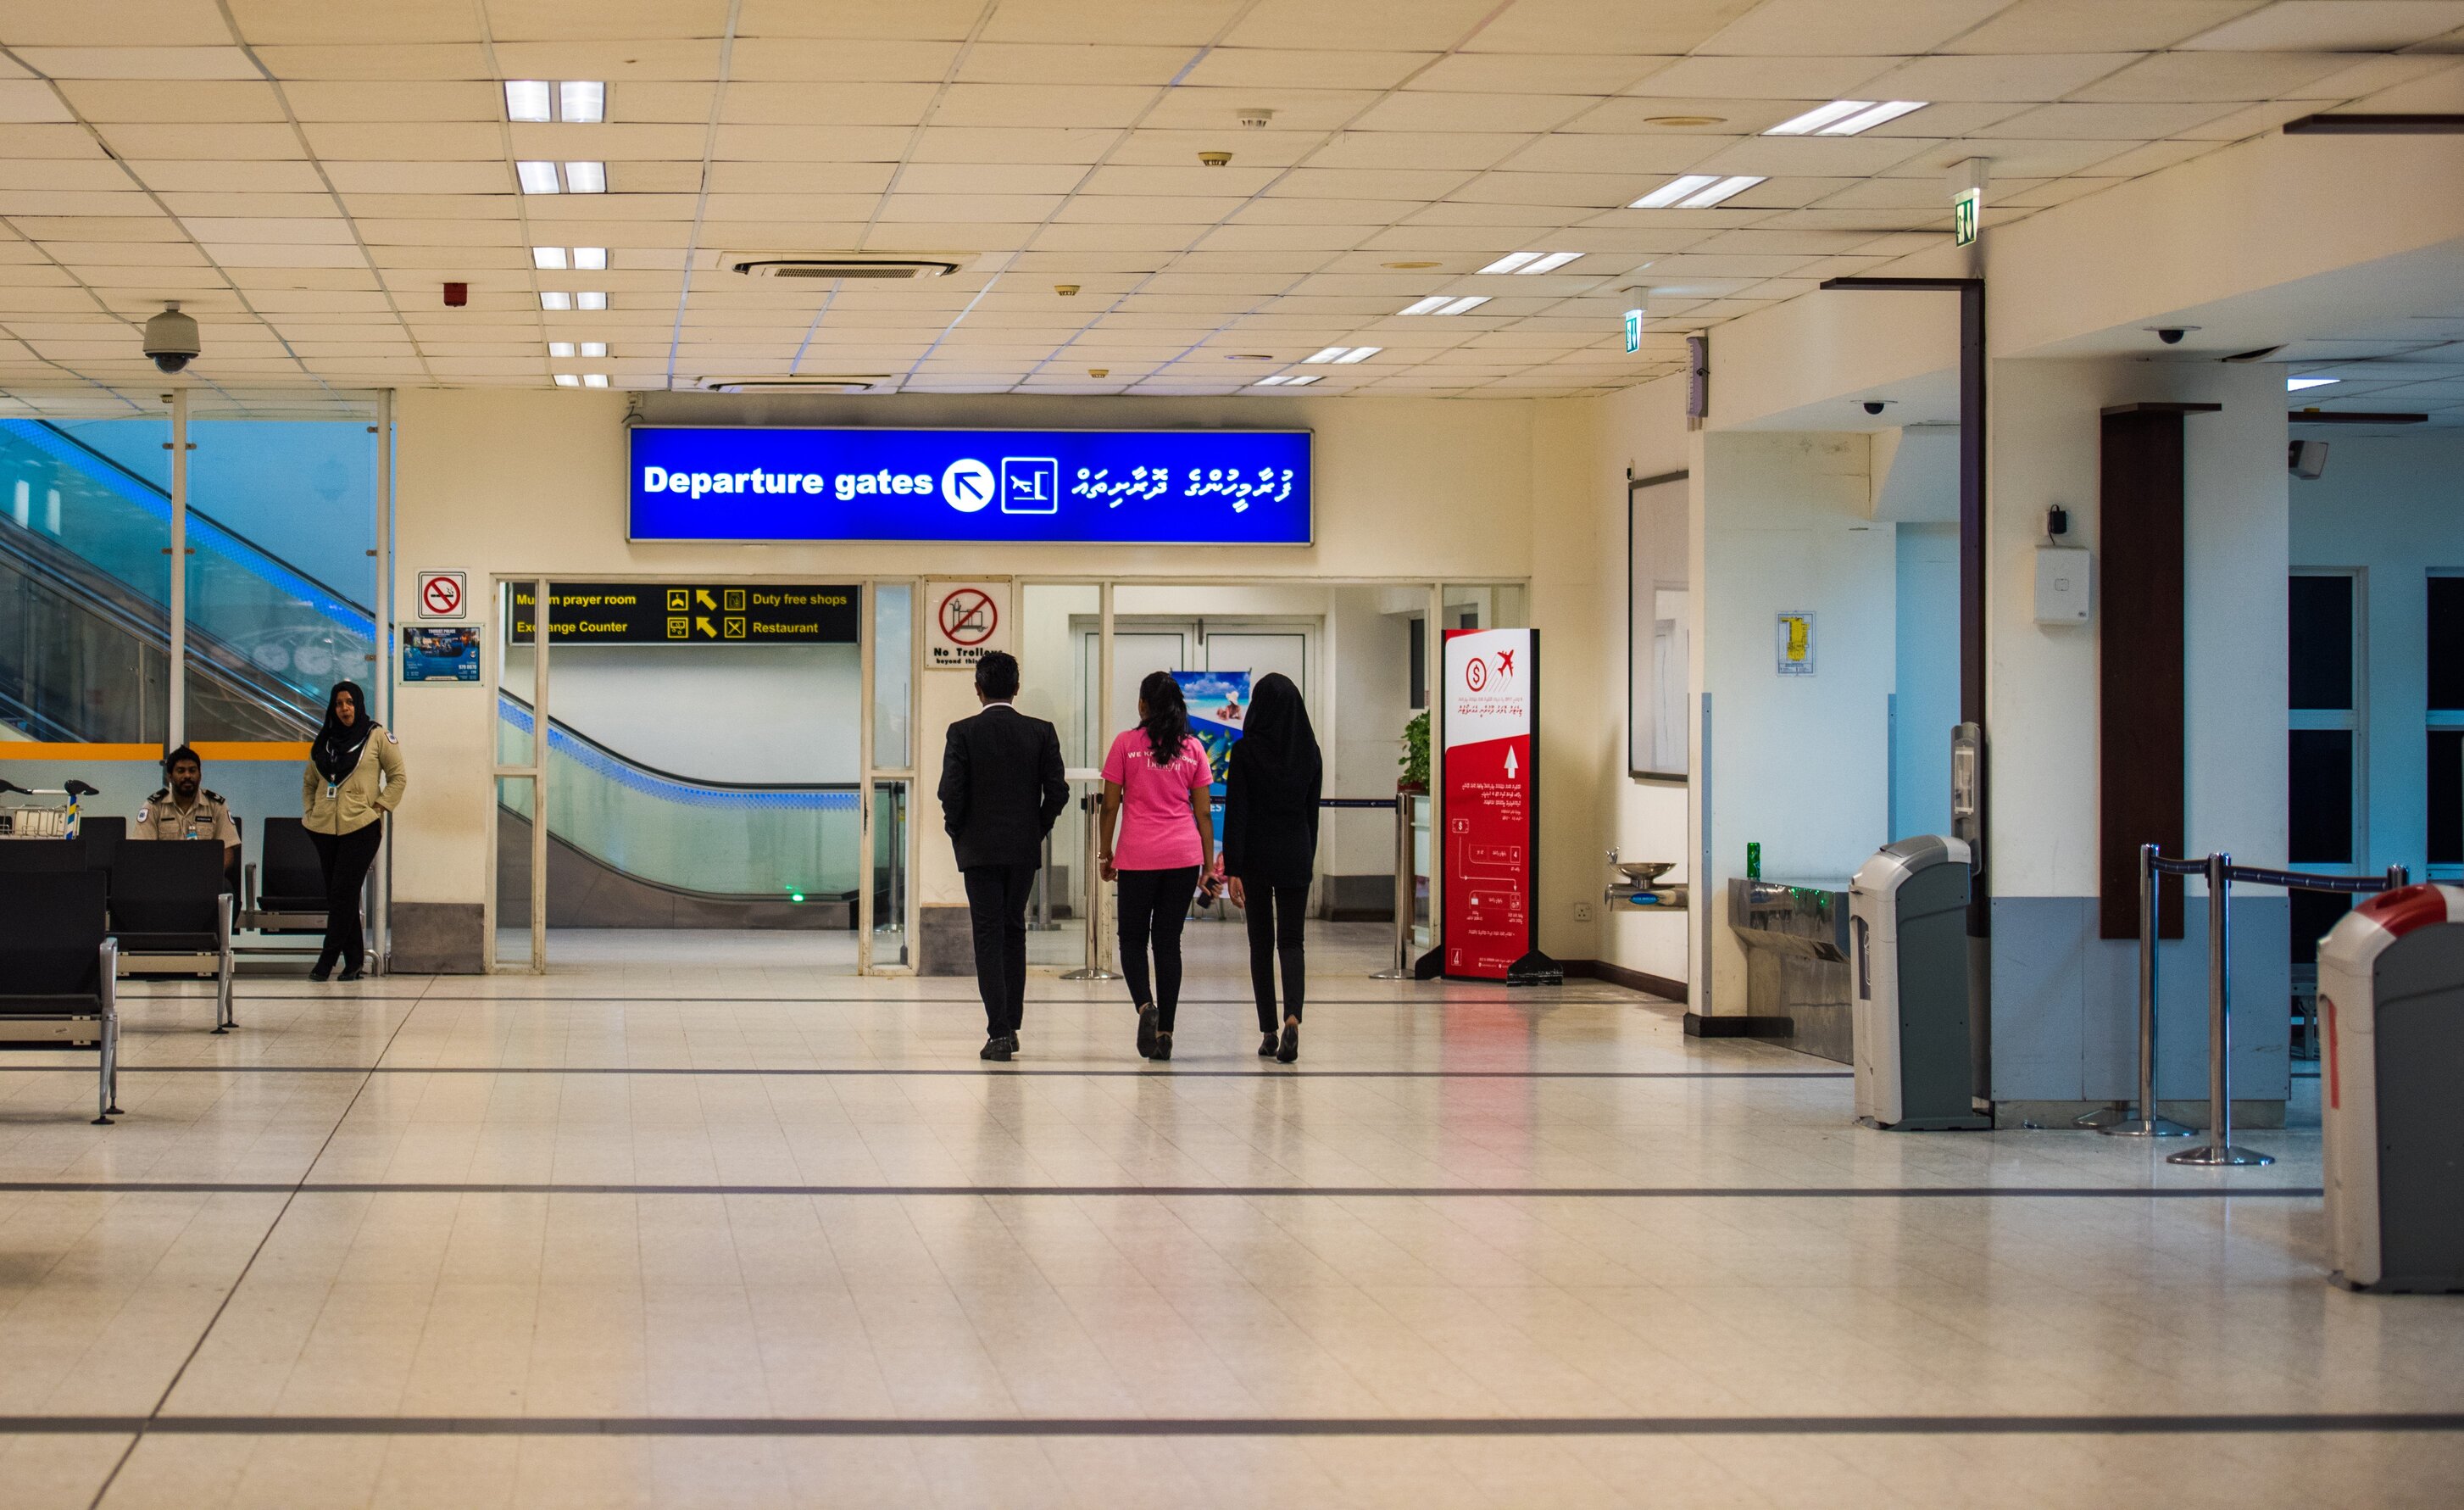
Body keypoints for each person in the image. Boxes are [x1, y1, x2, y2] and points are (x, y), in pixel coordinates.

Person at [937, 650, 1068, 1062]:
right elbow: (1058, 791)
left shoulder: (961, 732)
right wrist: (1037, 828)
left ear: (978, 690)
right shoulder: (1041, 731)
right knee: (1014, 930)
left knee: (987, 935)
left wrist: (958, 830)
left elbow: (950, 793)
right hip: (1022, 851)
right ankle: (1011, 1025)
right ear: (1016, 687)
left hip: (978, 852)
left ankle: (998, 1031)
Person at [1099, 671, 1219, 1062]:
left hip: (1137, 857)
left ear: (1142, 706)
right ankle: (1165, 1030)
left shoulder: (1124, 744)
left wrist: (1105, 852)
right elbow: (1203, 813)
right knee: (1168, 943)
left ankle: (1145, 1007)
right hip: (1183, 858)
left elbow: (1112, 805)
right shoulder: (1194, 750)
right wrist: (1206, 868)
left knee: (1132, 940)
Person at [1222, 672, 1321, 1063]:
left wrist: (1234, 867)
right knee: (1293, 942)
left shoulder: (1246, 751)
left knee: (1260, 945)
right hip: (1296, 852)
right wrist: (1307, 856)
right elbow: (1311, 814)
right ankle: (1293, 1018)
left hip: (1257, 858)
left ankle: (1268, 1031)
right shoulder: (1310, 751)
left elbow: (1238, 813)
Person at [300, 680, 406, 981]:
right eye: (338, 703)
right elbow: (310, 783)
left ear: (358, 705)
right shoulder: (324, 741)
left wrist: (379, 808)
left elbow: (398, 777)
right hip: (323, 828)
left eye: (349, 702)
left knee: (343, 893)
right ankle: (355, 962)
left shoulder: (377, 736)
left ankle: (327, 961)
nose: (344, 709)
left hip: (361, 826)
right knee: (339, 897)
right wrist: (310, 811)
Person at [135, 744, 242, 887]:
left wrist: (210, 873)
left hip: (205, 879)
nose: (187, 776)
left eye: (192, 771)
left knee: (225, 887)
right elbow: (142, 851)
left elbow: (227, 851)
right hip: (164, 880)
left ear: (200, 775)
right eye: (181, 771)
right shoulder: (154, 806)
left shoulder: (217, 805)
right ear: (170, 776)